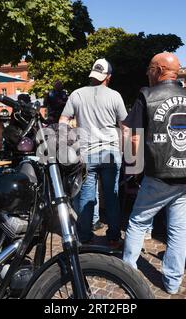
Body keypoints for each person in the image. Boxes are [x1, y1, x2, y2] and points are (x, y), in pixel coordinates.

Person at [122, 53, 186, 294]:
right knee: (179, 229)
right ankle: (173, 283)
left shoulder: (147, 95)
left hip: (158, 175)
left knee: (138, 222)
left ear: (160, 69)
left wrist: (134, 171)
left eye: (150, 68)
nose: (147, 73)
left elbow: (134, 137)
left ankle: (126, 275)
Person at [60, 58, 128, 249]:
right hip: (111, 153)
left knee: (87, 196)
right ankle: (114, 237)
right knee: (111, 196)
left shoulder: (77, 94)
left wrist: (68, 145)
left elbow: (63, 120)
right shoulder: (115, 96)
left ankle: (85, 237)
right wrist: (126, 153)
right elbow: (125, 127)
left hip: (86, 154)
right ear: (108, 77)